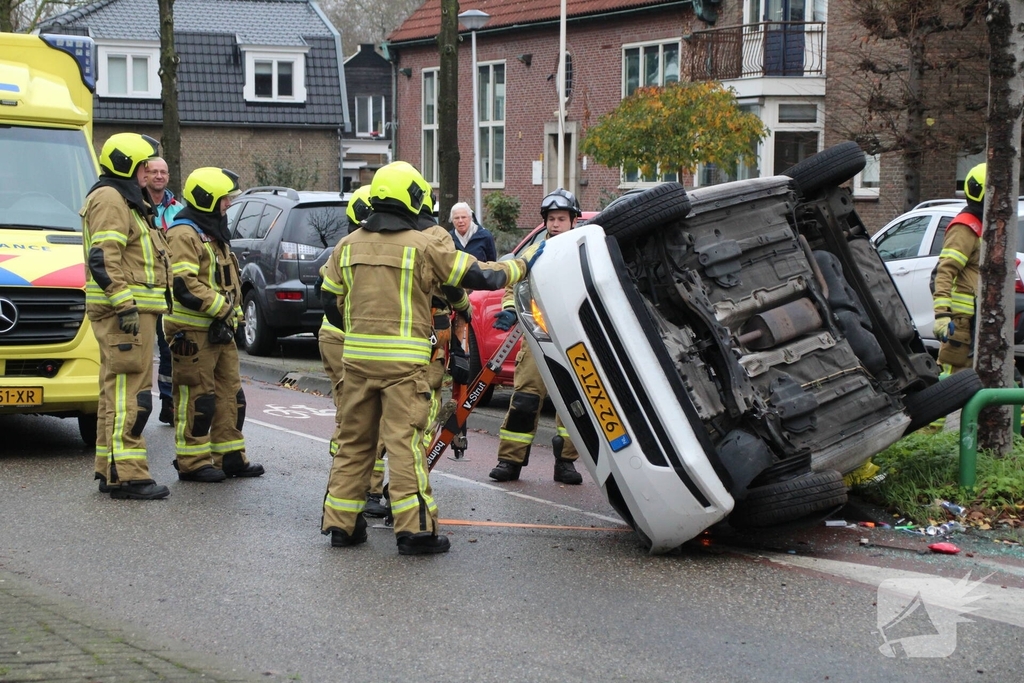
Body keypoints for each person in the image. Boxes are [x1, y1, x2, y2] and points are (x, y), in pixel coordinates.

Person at [319, 161, 540, 554]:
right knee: (404, 444)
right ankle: (416, 532)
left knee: (354, 443)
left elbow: (329, 300)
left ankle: (343, 526)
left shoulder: (347, 245)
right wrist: (522, 265)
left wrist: (359, 335)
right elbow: (480, 277)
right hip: (404, 368)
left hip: (356, 364)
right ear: (411, 198)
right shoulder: (423, 244)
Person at [82, 132, 171, 500]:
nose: (145, 176)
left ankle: (110, 468)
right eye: (141, 168)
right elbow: (104, 258)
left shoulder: (121, 199)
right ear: (127, 167)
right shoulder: (111, 199)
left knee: (114, 393)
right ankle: (128, 475)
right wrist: (125, 304)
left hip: (132, 312)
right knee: (129, 395)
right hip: (126, 314)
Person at [163, 167, 264, 482]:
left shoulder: (212, 231)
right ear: (207, 200)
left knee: (230, 395)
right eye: (224, 200)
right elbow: (184, 284)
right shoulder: (184, 233)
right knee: (198, 397)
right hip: (193, 331)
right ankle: (192, 462)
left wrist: (231, 315)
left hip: (219, 329)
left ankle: (230, 456)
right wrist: (222, 309)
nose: (228, 205)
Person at [489, 188, 585, 486]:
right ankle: (510, 461)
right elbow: (512, 286)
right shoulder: (534, 252)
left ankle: (566, 462)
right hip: (537, 338)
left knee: (575, 404)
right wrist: (510, 311)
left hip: (573, 339)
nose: (555, 224)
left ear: (573, 221)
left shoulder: (582, 253)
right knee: (526, 401)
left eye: (561, 218)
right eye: (551, 219)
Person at [933, 162, 985, 374]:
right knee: (954, 378)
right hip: (963, 324)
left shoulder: (984, 225)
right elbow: (944, 271)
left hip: (981, 319)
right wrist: (942, 315)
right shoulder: (965, 228)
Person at [143, 157, 184, 425]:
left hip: (170, 289)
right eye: (153, 172)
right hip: (144, 287)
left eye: (163, 172)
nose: (158, 176)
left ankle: (168, 402)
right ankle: (136, 401)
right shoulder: (134, 205)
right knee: (142, 349)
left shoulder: (178, 210)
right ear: (145, 176)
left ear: (168, 177)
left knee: (169, 347)